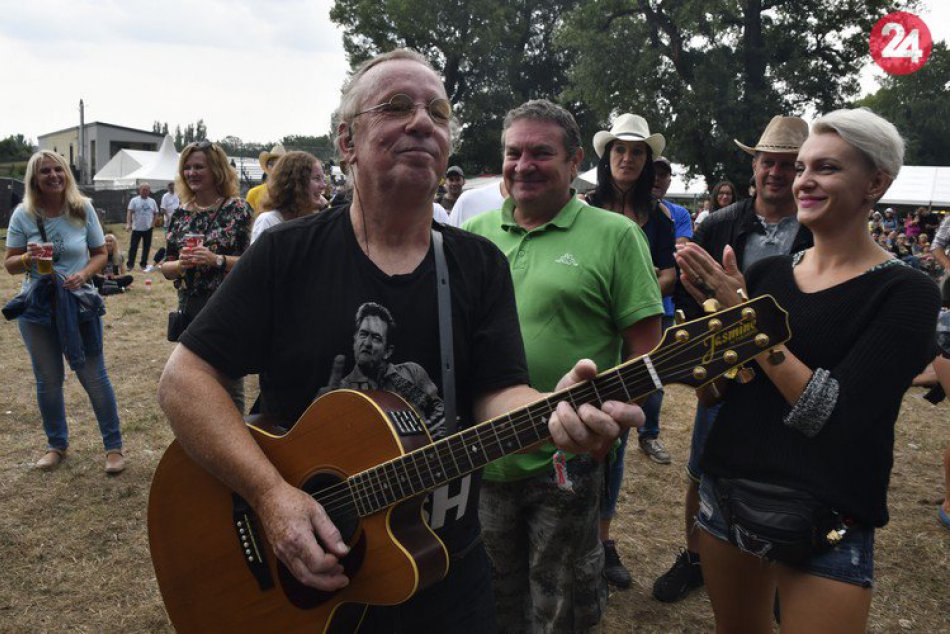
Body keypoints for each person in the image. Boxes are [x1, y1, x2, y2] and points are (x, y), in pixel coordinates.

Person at [156, 49, 641, 632]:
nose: (422, 121)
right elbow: (183, 380)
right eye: (396, 106)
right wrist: (270, 496)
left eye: (437, 112)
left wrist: (554, 409)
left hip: (444, 565)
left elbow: (498, 393)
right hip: (305, 565)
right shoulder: (286, 254)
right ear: (347, 141)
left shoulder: (476, 263)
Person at [675, 108, 940, 632]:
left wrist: (749, 323)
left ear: (876, 183)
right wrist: (704, 352)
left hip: (829, 518)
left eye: (827, 168)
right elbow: (719, 397)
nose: (804, 181)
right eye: (801, 168)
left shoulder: (906, 292)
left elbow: (832, 415)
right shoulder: (769, 272)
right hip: (728, 495)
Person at [465, 100, 662, 629]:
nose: (523, 164)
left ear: (575, 161)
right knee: (490, 599)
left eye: (541, 153)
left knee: (561, 609)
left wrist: (611, 425)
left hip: (566, 461)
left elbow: (648, 349)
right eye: (513, 152)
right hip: (478, 457)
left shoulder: (616, 236)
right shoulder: (473, 234)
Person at [654, 115, 813, 604]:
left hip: (791, 365)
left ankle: (784, 570)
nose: (776, 173)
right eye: (769, 162)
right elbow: (687, 289)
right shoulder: (721, 223)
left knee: (789, 474)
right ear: (755, 166)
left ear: (800, 171)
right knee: (703, 468)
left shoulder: (816, 227)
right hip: (722, 365)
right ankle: (697, 557)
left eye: (788, 165)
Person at [581, 111, 674, 585]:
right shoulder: (582, 205)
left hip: (636, 331)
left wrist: (634, 288)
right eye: (620, 149)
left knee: (615, 435)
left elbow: (669, 269)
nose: (628, 158)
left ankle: (602, 541)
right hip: (588, 331)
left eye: (637, 151)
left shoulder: (658, 216)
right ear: (606, 156)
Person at [2, 150, 125, 474]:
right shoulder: (23, 215)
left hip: (78, 304)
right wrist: (28, 258)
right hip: (38, 309)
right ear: (34, 179)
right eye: (46, 172)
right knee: (48, 380)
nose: (54, 176)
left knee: (94, 377)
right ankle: (56, 444)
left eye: (59, 170)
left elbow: (101, 253)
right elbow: (10, 265)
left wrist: (84, 274)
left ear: (66, 174)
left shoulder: (81, 208)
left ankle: (113, 448)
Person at [159, 140, 252, 412]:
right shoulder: (179, 214)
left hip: (227, 307)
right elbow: (165, 265)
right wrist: (179, 266)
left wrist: (217, 260)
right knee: (193, 380)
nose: (191, 173)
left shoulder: (237, 210)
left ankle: (239, 442)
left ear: (216, 171)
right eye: (187, 168)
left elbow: (254, 263)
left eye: (199, 167)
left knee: (228, 381)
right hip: (190, 307)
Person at [251, 151, 327, 243]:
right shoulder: (269, 221)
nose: (323, 185)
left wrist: (325, 210)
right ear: (297, 183)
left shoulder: (310, 220)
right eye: (317, 178)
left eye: (323, 179)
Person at [125, 182, 158, 271]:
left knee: (146, 247)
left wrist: (153, 223)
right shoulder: (134, 200)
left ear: (149, 191)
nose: (145, 191)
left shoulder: (152, 201)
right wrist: (129, 223)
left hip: (148, 228)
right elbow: (129, 212)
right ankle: (130, 265)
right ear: (139, 190)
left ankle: (143, 264)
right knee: (133, 247)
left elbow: (156, 213)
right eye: (143, 190)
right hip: (137, 228)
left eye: (147, 190)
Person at [245, 144, 286, 212]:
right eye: (271, 163)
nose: (275, 167)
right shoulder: (253, 193)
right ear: (267, 166)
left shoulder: (293, 193)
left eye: (279, 164)